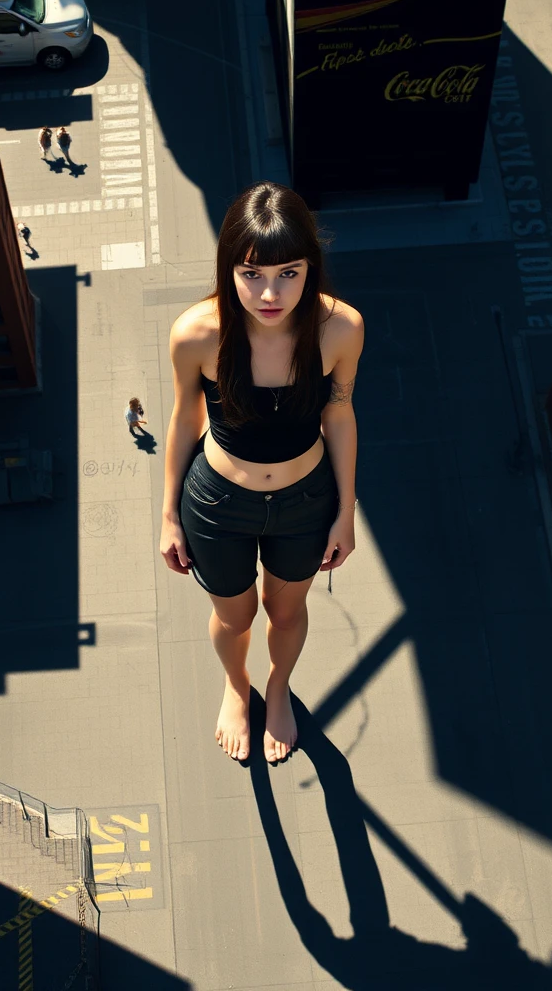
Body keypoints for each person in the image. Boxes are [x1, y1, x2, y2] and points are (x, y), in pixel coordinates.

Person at [160, 181, 364, 764]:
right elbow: (183, 420)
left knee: (287, 610)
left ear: (311, 268)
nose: (270, 293)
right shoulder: (197, 333)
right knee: (234, 613)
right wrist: (169, 515)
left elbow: (341, 414)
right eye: (252, 275)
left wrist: (344, 513)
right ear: (228, 269)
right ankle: (235, 684)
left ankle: (277, 688)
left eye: (289, 273)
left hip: (306, 500)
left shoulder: (339, 329)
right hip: (219, 503)